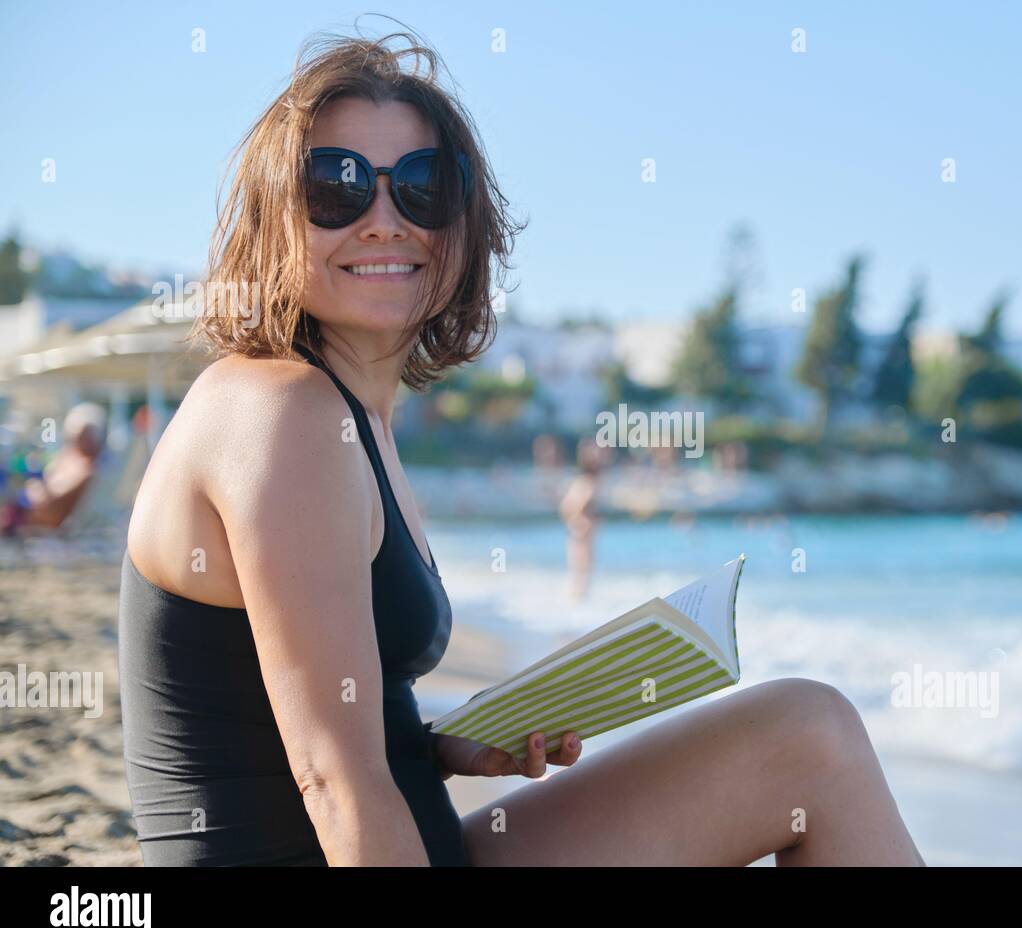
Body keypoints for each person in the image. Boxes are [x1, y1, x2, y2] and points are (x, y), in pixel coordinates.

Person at [117, 28, 923, 866]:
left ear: (463, 224)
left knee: (806, 734)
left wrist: (444, 747)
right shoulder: (280, 413)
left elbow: (300, 717)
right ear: (272, 221)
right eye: (337, 187)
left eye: (423, 189)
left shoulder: (354, 420)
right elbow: (332, 781)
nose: (385, 221)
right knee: (812, 739)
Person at [1, 402, 106, 536]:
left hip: (38, 517)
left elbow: (54, 502)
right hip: (31, 509)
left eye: (83, 434)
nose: (76, 438)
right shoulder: (69, 456)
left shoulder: (87, 469)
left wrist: (36, 490)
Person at [559, 439, 603, 602]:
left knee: (581, 574)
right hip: (581, 536)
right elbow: (568, 507)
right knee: (581, 575)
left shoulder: (586, 481)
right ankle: (575, 609)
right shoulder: (586, 482)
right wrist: (579, 522)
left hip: (582, 535)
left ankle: (576, 607)